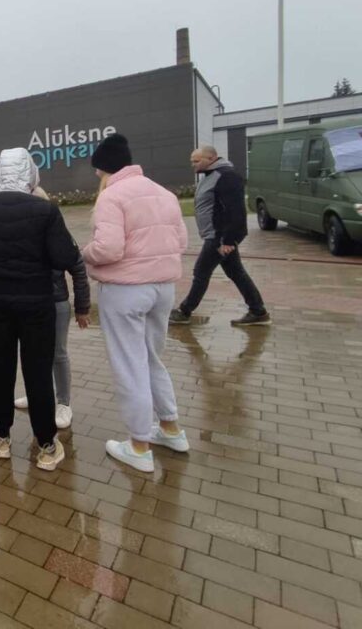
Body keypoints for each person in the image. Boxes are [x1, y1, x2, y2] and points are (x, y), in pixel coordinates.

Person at [0, 148, 80, 470]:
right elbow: (64, 257)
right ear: (29, 173)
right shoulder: (45, 210)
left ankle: (2, 436)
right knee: (38, 373)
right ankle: (46, 444)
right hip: (36, 305)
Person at [82, 134, 190, 473]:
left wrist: (85, 254)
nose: (97, 176)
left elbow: (109, 249)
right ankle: (170, 428)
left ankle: (139, 445)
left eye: (97, 170)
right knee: (152, 358)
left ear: (105, 168)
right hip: (163, 288)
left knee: (130, 364)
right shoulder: (165, 194)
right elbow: (182, 242)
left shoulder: (111, 197)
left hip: (125, 290)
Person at [14, 186, 91, 429]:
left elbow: (78, 268)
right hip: (29, 302)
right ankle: (37, 392)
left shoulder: (58, 233)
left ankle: (63, 402)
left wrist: (82, 307)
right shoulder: (20, 233)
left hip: (55, 302)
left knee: (58, 353)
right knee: (32, 352)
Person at [169, 145, 270, 327]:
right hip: (217, 236)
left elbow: (236, 211)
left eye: (196, 161)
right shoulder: (210, 176)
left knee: (201, 271)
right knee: (236, 273)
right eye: (192, 161)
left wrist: (229, 240)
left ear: (211, 158)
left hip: (219, 237)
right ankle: (258, 311)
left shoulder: (226, 176)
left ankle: (184, 311)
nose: (193, 164)